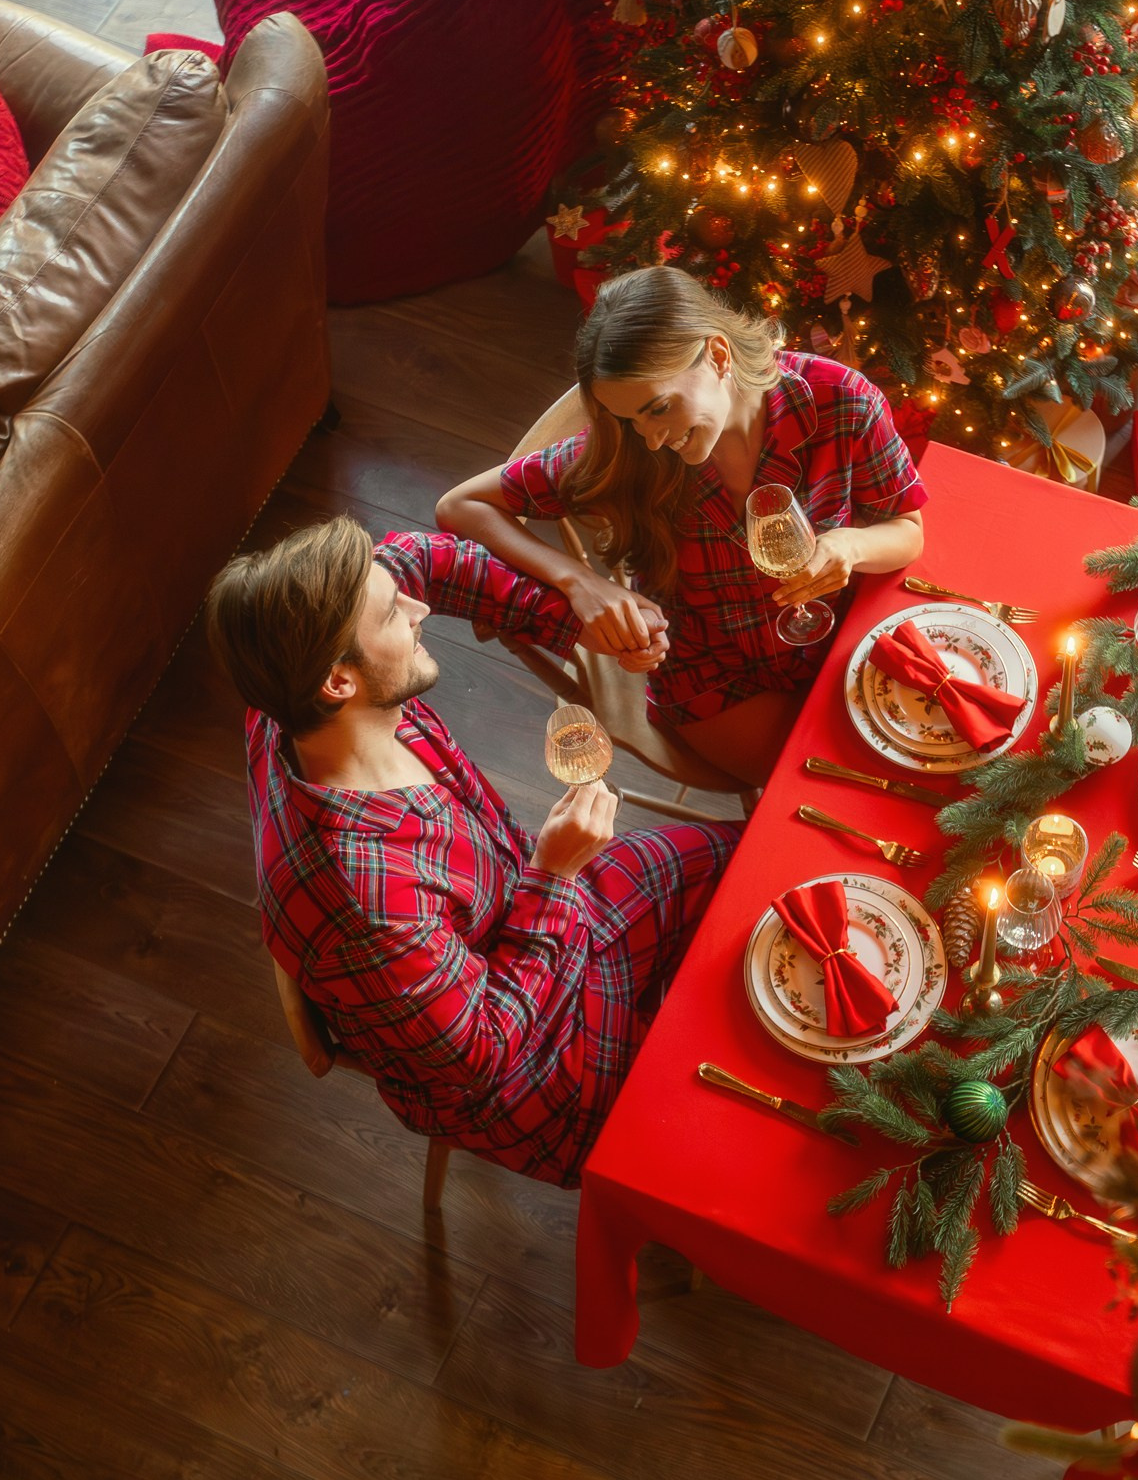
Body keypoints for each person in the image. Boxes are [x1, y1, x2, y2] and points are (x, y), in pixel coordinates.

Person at [205, 516, 736, 1188]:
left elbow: (423, 558)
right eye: (396, 612)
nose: (418, 606)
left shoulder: (287, 689)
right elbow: (485, 1056)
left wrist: (575, 616)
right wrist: (553, 875)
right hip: (537, 1075)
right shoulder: (368, 907)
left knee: (748, 869)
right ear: (339, 682)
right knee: (728, 1106)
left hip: (539, 912)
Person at [436, 266, 928, 787]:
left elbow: (909, 531)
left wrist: (848, 544)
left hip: (844, 636)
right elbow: (460, 505)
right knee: (840, 793)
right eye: (631, 420)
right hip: (712, 671)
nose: (650, 439)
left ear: (717, 356)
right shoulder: (627, 452)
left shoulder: (840, 401)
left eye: (658, 409)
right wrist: (579, 580)